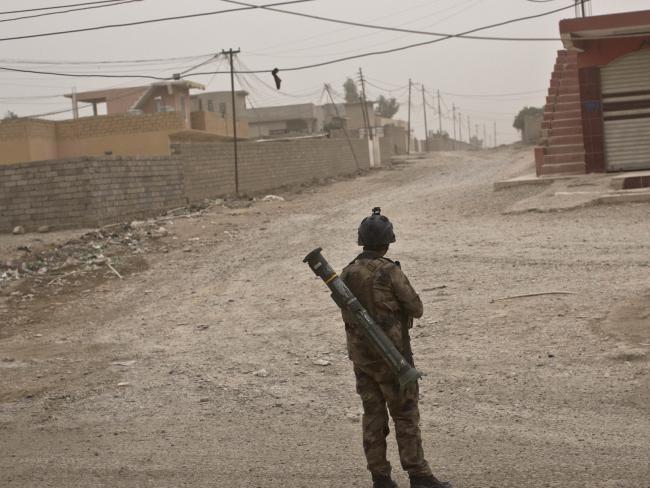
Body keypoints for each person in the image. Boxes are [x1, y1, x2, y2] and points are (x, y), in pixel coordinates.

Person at [340, 207, 450, 488]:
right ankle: (419, 475)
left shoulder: (346, 273)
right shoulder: (389, 272)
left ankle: (380, 478)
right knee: (405, 414)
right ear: (387, 242)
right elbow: (416, 308)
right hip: (393, 357)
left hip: (363, 359)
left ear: (362, 241)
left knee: (373, 415)